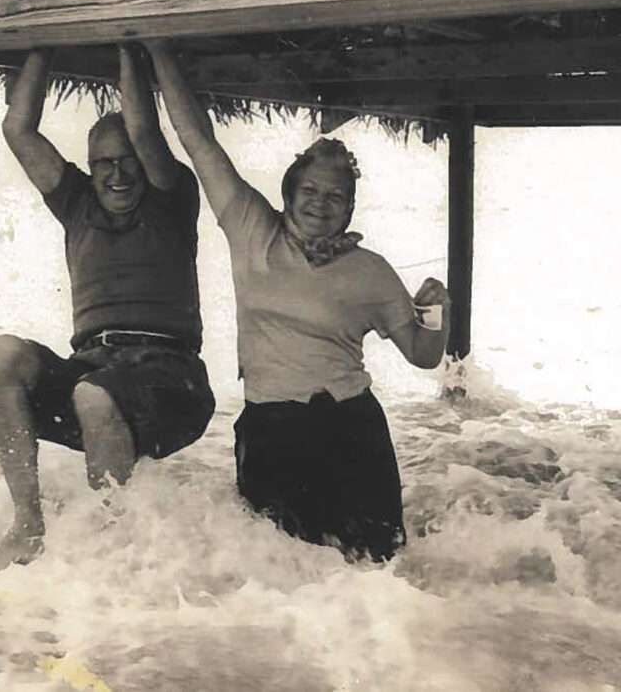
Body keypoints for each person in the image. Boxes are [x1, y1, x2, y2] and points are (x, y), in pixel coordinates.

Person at [145, 41, 451, 562]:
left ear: (350, 208)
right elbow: (198, 140)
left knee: (379, 572)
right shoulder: (250, 229)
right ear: (288, 192)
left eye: (336, 197)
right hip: (273, 429)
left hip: (353, 428)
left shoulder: (371, 271)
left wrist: (439, 309)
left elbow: (423, 354)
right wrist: (156, 47)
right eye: (310, 191)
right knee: (286, 577)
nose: (320, 204)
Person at [0, 47, 215, 574]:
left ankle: (111, 551)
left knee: (94, 394)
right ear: (89, 166)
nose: (118, 175)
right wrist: (41, 43)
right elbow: (18, 130)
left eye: (128, 163)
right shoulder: (76, 202)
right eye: (104, 163)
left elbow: (148, 134)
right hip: (95, 372)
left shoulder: (171, 198)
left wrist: (125, 41)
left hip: (172, 384)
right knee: (0, 356)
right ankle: (27, 526)